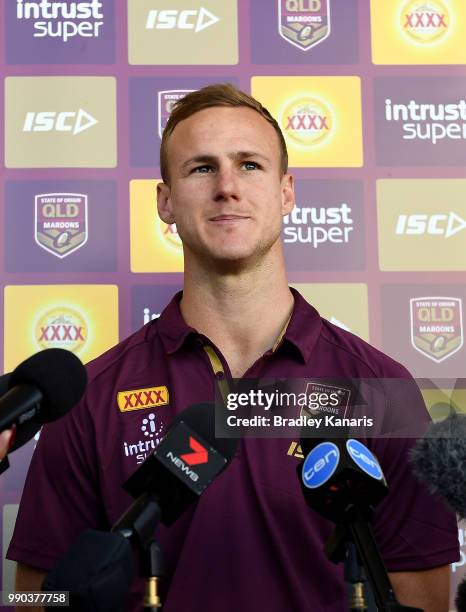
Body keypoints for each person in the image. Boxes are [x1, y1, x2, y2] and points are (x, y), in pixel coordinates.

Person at [8, 84, 458, 612]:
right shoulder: (93, 395)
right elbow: (36, 595)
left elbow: (422, 598)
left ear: (286, 192)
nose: (227, 187)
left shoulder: (381, 389)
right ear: (165, 202)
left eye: (249, 165)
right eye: (201, 168)